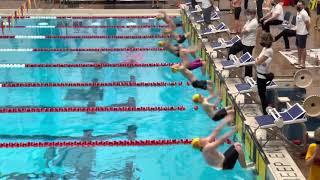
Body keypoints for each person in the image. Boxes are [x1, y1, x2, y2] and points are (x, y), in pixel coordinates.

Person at [228, 8, 258, 77]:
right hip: (243, 41)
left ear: (253, 15)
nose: (247, 16)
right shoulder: (249, 20)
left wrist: (243, 30)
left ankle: (248, 76)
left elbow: (243, 31)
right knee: (232, 49)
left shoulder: (254, 22)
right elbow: (242, 29)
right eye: (247, 14)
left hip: (249, 44)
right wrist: (242, 30)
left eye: (248, 14)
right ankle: (229, 63)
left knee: (247, 60)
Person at [255, 32, 274, 115]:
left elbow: (258, 62)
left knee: (262, 95)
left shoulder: (268, 51)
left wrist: (258, 60)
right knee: (261, 94)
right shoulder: (265, 49)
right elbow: (258, 59)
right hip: (259, 74)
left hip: (262, 77)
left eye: (261, 39)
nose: (260, 40)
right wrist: (258, 60)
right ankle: (265, 110)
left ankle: (265, 113)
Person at [295, 0, 310, 69]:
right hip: (298, 32)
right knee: (298, 47)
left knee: (303, 48)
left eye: (300, 5)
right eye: (297, 5)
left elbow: (307, 23)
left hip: (302, 33)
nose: (298, 6)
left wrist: (307, 31)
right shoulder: (298, 12)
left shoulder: (304, 13)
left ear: (303, 6)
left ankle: (303, 64)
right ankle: (299, 61)